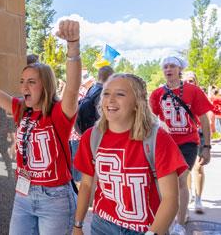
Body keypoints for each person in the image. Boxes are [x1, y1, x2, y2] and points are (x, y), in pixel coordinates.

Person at [0, 19, 81, 235]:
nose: (24, 86)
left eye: (32, 82)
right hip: (23, 195)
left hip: (55, 199)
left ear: (46, 86)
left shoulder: (60, 113)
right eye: (22, 81)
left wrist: (73, 46)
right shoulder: (21, 109)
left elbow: (72, 88)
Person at [73, 73, 188, 235]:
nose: (110, 100)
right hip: (102, 226)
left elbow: (171, 199)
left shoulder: (157, 139)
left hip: (146, 228)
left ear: (137, 103)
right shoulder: (91, 137)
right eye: (106, 93)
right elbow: (86, 185)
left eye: (120, 94)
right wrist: (78, 225)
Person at [150, 57, 213, 235]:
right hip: (165, 142)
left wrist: (207, 147)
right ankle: (167, 217)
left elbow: (204, 120)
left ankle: (180, 221)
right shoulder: (157, 94)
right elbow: (151, 120)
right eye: (165, 66)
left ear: (180, 69)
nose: (168, 69)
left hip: (188, 142)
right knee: (164, 183)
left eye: (172, 66)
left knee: (180, 180)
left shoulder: (193, 90)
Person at [70, 66, 114, 185]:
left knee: (83, 170)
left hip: (83, 134)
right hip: (97, 137)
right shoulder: (102, 93)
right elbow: (102, 117)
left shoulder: (91, 89)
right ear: (110, 78)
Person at [182, 71, 206, 214]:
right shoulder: (177, 96)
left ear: (196, 82)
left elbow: (208, 114)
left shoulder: (199, 95)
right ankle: (189, 192)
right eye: (186, 81)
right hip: (185, 137)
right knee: (187, 169)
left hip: (199, 134)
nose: (189, 83)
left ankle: (198, 198)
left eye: (191, 80)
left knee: (198, 167)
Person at [75, 65, 114, 134]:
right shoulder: (102, 92)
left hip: (87, 131)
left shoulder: (92, 88)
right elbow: (101, 116)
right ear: (110, 78)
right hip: (96, 134)